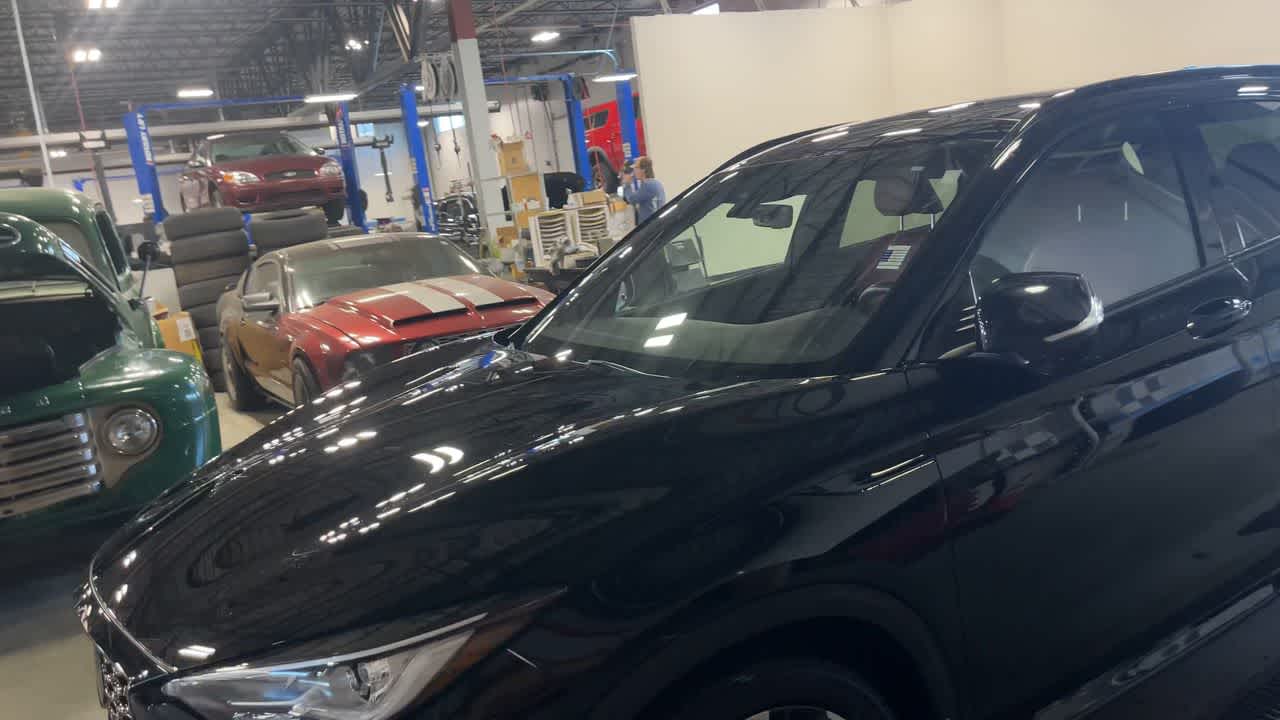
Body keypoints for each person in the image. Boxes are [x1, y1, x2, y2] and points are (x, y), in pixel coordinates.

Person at [620, 156, 667, 224]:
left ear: (643, 169)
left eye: (636, 168)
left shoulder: (648, 185)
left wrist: (627, 184)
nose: (634, 171)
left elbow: (632, 199)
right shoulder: (654, 183)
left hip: (651, 224)